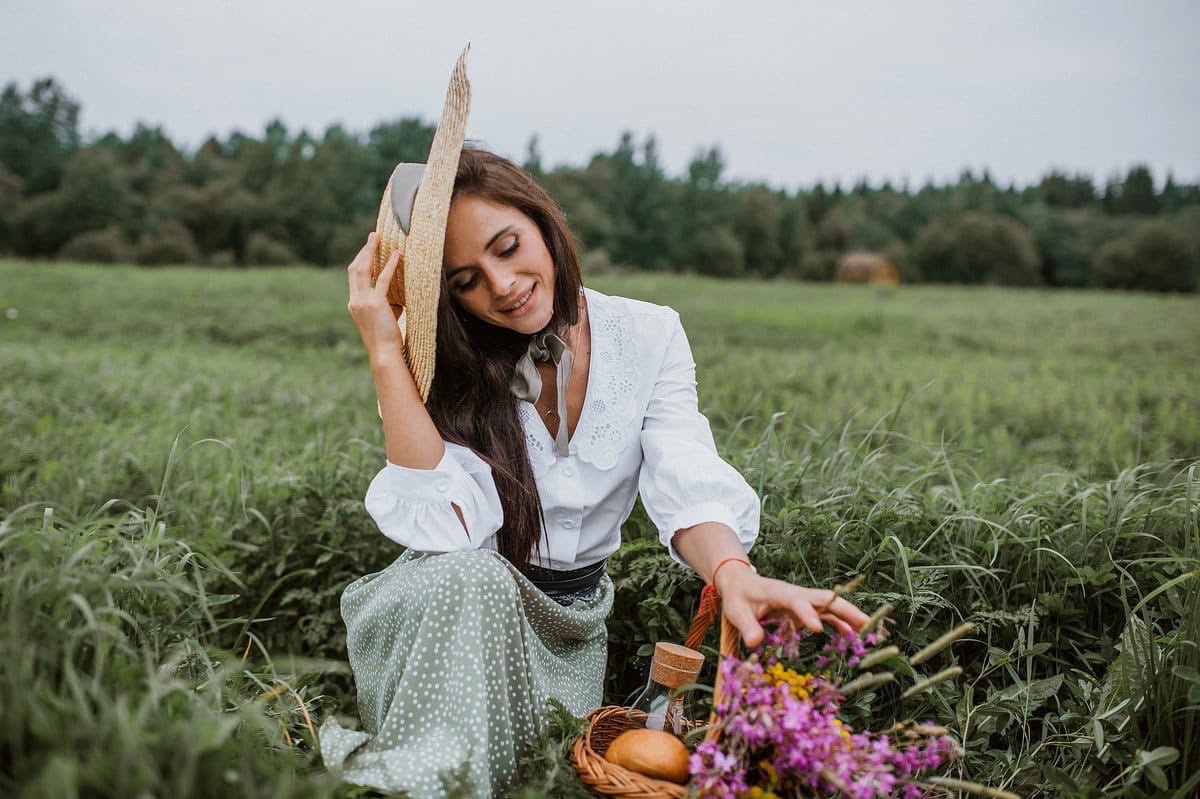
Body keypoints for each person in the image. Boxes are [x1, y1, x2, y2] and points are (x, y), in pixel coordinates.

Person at [319, 147, 869, 797]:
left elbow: (682, 463)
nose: (501, 284)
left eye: (508, 245)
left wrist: (731, 571)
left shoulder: (650, 333)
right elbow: (445, 529)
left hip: (570, 622)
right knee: (473, 590)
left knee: (541, 774)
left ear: (544, 222)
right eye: (465, 279)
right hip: (449, 612)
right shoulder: (438, 360)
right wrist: (386, 350)